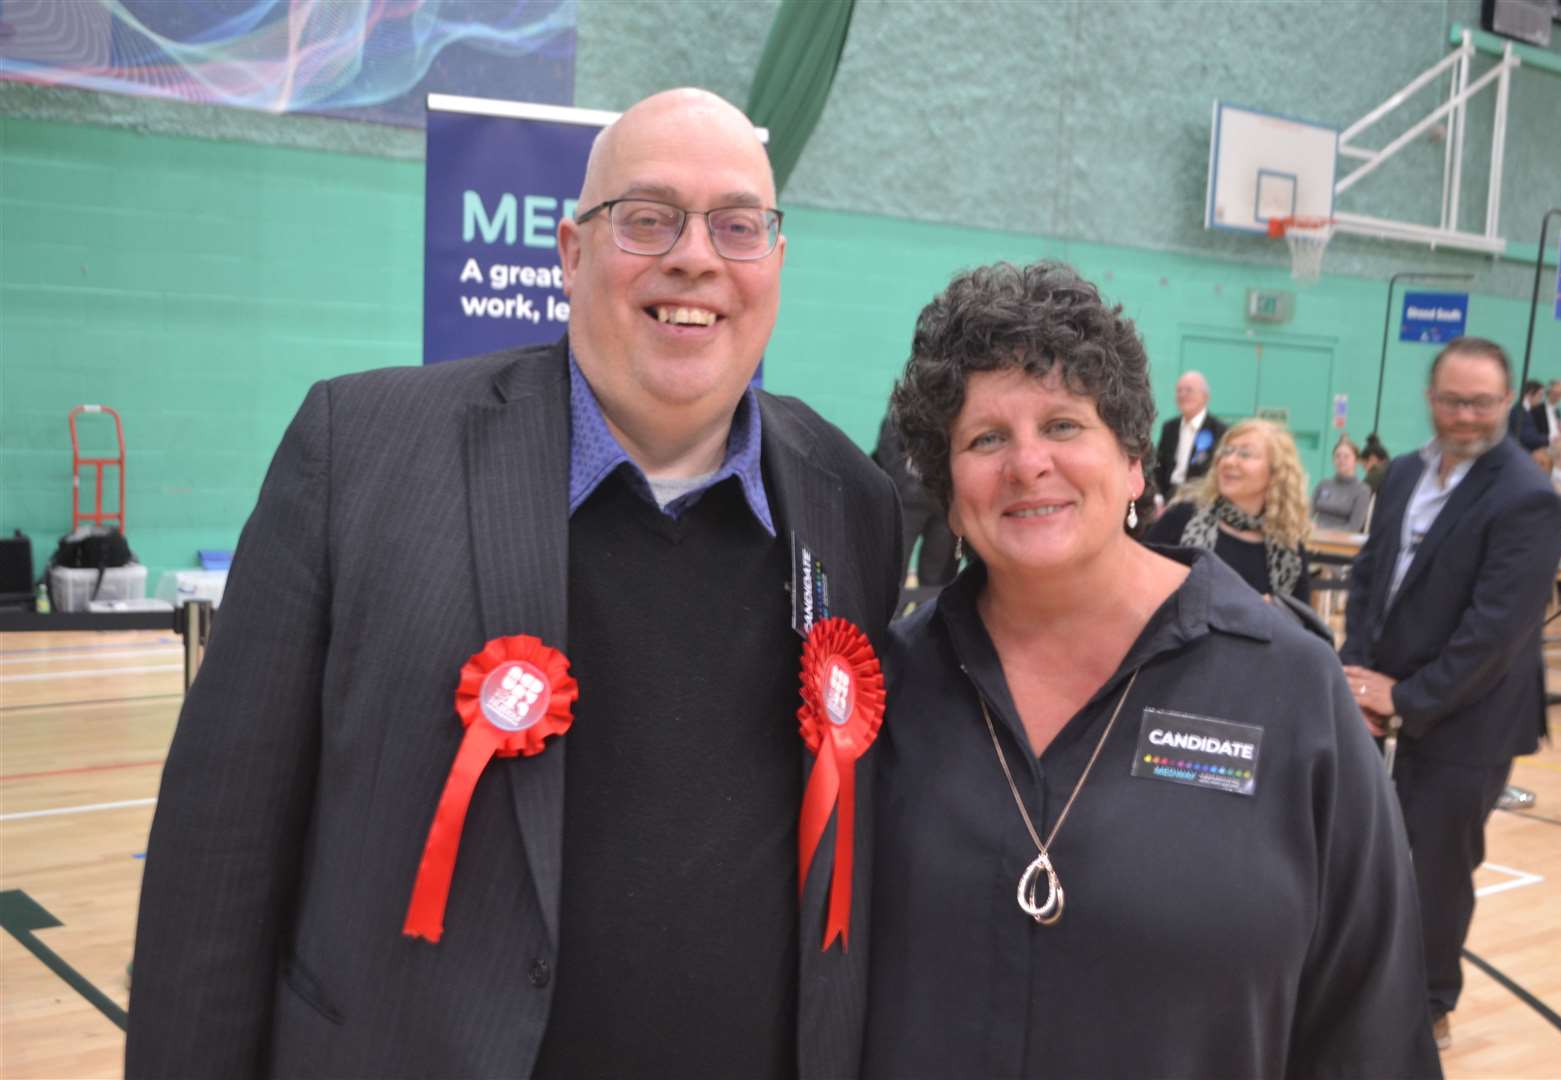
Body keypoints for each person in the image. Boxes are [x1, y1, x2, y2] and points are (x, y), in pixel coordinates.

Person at [126, 88, 903, 1079]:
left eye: (736, 226)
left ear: (776, 265)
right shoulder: (357, 453)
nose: (696, 257)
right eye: (649, 217)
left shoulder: (854, 502)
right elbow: (216, 864)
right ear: (571, 254)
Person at [863, 260, 1439, 1079]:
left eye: (1064, 426)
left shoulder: (1290, 689)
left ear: (1134, 460)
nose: (1027, 464)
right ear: (951, 492)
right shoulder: (894, 688)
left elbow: (1369, 1027)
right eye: (987, 438)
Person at [1340, 336, 1561, 1053]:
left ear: (1506, 403)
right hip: (1385, 698)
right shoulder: (1403, 472)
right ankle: (1365, 987)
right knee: (1372, 855)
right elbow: (1372, 578)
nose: (1465, 415)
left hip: (1472, 715)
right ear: (1431, 397)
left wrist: (1404, 696)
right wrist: (1355, 676)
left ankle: (1429, 1004)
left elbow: (1495, 633)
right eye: (1452, 399)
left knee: (1437, 867)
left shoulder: (1526, 496)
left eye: (1482, 402)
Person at [1146, 419, 1314, 606]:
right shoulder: (1183, 517)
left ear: (1275, 472)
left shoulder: (1288, 546)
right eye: (1226, 451)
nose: (1229, 461)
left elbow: (1300, 623)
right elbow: (1140, 578)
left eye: (1245, 454)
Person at [873, 404, 957, 586]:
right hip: (908, 502)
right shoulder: (901, 412)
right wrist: (907, 485)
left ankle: (936, 612)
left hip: (943, 503)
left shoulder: (954, 410)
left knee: (938, 570)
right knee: (896, 564)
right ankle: (893, 614)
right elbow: (888, 451)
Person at [1151, 369, 1226, 503]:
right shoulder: (1169, 427)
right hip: (1168, 495)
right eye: (1179, 391)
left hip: (1200, 498)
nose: (1183, 395)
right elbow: (1159, 465)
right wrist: (1157, 495)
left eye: (1189, 390)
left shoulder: (1219, 430)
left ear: (1205, 396)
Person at [1312, 434, 1373, 531]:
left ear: (1356, 460)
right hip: (1314, 540)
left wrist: (1323, 531)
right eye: (1337, 456)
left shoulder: (1362, 490)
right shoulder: (1323, 484)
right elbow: (1306, 513)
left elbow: (1354, 527)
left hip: (1341, 543)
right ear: (1333, 460)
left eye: (1346, 456)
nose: (1341, 460)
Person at [1508, 379, 1548, 451]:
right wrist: (1550, 438)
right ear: (1530, 394)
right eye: (1540, 395)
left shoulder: (1526, 411)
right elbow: (1527, 438)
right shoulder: (1519, 412)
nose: (1541, 399)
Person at [1533, 377, 1561, 444]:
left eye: (1560, 394)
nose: (1558, 397)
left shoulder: (1557, 411)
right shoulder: (1537, 409)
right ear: (1549, 392)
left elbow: (1558, 434)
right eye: (1556, 393)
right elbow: (1534, 434)